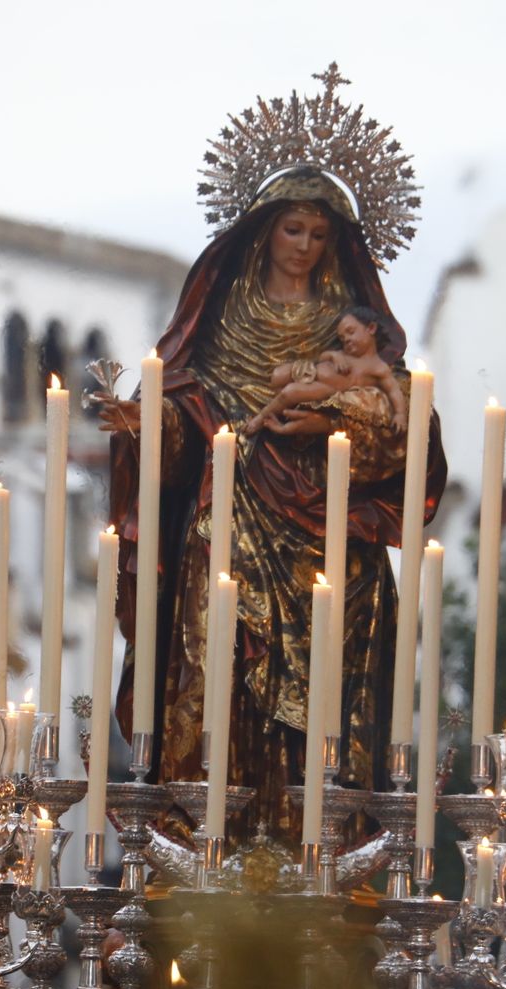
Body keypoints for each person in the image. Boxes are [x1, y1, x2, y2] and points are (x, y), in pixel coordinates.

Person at [98, 166, 446, 831]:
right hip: (227, 523)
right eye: (293, 229)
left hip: (332, 535)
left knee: (326, 695)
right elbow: (188, 413)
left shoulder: (355, 331)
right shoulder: (221, 321)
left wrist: (335, 425)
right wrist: (150, 424)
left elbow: (405, 428)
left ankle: (321, 844)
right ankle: (206, 843)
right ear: (263, 232)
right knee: (217, 669)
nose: (305, 245)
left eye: (319, 233)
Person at [242, 306, 409, 437]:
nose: (346, 340)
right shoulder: (343, 353)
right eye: (342, 338)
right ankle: (282, 407)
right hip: (310, 371)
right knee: (277, 376)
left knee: (289, 393)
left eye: (351, 332)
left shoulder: (378, 367)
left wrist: (400, 414)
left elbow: (393, 390)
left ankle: (259, 419)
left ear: (371, 328)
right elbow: (323, 356)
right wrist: (334, 356)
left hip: (326, 389)